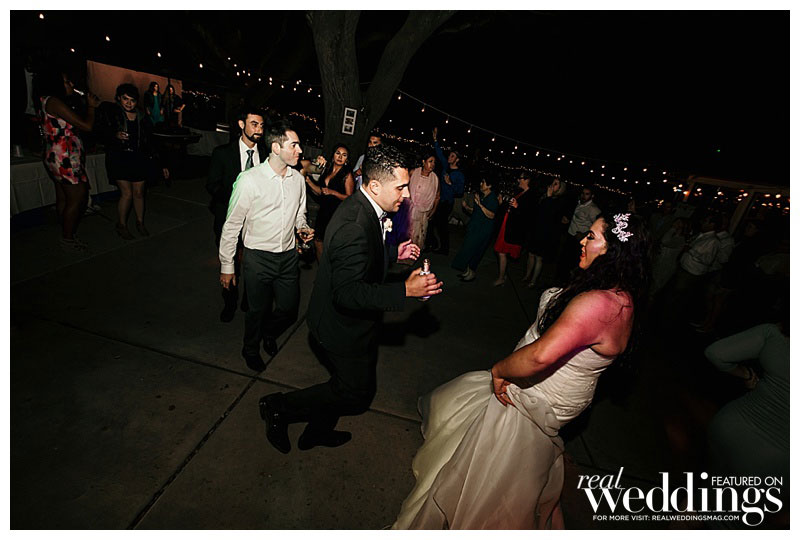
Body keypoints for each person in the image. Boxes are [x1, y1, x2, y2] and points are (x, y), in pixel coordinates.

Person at [393, 212, 650, 529]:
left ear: (614, 252)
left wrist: (500, 370)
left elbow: (541, 356)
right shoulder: (620, 294)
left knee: (494, 482)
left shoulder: (602, 304)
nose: (582, 240)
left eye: (592, 237)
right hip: (547, 388)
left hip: (540, 395)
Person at [257, 144, 443, 454]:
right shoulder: (354, 224)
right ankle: (278, 407)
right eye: (401, 187)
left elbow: (361, 257)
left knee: (346, 386)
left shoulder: (365, 207)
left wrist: (391, 253)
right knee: (354, 392)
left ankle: (316, 431)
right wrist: (405, 290)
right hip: (339, 328)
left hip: (356, 325)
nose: (407, 194)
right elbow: (348, 293)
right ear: (375, 186)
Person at [219, 116, 313, 372]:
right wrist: (227, 265)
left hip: (288, 257)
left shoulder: (298, 180)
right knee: (256, 311)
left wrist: (302, 229)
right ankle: (250, 349)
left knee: (288, 309)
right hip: (258, 258)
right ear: (275, 148)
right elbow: (232, 225)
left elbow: (300, 215)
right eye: (294, 145)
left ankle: (268, 333)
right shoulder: (249, 180)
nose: (300, 150)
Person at [704, 317, 789, 526]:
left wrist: (746, 374)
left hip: (729, 427)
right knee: (727, 522)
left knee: (703, 498)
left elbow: (716, 353)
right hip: (773, 462)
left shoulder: (775, 333)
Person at [207, 107, 266, 322]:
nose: (259, 129)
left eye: (261, 125)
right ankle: (229, 302)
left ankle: (249, 300)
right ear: (242, 125)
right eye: (254, 124)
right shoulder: (222, 153)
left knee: (254, 265)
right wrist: (239, 197)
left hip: (257, 223)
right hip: (229, 219)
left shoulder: (267, 154)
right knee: (230, 264)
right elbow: (212, 185)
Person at [33, 67, 101, 252]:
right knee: (77, 197)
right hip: (65, 157)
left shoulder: (44, 101)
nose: (71, 84)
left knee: (63, 196)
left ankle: (65, 231)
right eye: (66, 81)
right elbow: (86, 126)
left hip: (56, 155)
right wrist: (91, 107)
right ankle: (68, 238)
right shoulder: (54, 102)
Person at [97, 83, 169, 240]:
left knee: (139, 193)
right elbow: (99, 133)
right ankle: (121, 225)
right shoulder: (112, 114)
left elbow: (152, 141)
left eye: (132, 100)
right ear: (118, 98)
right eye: (125, 99)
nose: (129, 103)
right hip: (119, 158)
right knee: (127, 193)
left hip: (138, 158)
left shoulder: (142, 117)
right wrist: (114, 135)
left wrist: (162, 163)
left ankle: (140, 222)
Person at [304, 144, 355, 261]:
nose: (340, 157)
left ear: (347, 159)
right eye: (338, 153)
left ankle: (329, 268)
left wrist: (334, 192)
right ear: (333, 155)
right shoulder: (327, 170)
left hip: (336, 213)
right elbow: (321, 191)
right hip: (324, 210)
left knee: (330, 243)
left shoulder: (347, 175)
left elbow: (349, 198)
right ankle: (322, 268)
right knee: (318, 241)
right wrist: (308, 181)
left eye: (344, 155)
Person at [522, 177, 568, 289]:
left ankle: (533, 281)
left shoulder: (559, 201)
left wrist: (548, 198)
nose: (552, 185)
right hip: (537, 230)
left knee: (539, 258)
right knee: (530, 254)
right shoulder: (546, 197)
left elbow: (549, 215)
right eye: (553, 183)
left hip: (546, 234)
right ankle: (527, 275)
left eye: (556, 184)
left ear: (561, 188)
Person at [451, 178, 499, 282]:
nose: (481, 184)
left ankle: (471, 273)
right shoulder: (483, 196)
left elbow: (491, 215)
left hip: (482, 230)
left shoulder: (492, 199)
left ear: (489, 186)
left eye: (483, 182)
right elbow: (477, 211)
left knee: (473, 250)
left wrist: (480, 204)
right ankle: (467, 272)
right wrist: (467, 207)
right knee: (469, 249)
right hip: (475, 227)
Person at [492, 172, 535, 286]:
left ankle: (501, 278)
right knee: (500, 251)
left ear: (527, 180)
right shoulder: (521, 192)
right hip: (508, 226)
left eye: (520, 178)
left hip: (514, 229)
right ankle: (502, 276)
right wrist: (502, 203)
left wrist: (517, 207)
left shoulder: (531, 195)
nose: (518, 180)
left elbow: (529, 216)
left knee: (501, 252)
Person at [557, 185, 601, 278]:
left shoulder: (593, 209)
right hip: (570, 235)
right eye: (582, 193)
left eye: (587, 194)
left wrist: (584, 234)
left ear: (592, 196)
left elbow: (598, 228)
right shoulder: (578, 203)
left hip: (579, 240)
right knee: (563, 261)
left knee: (572, 264)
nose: (583, 196)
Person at [431, 127, 466, 231]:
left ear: (457, 160)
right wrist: (435, 139)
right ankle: (432, 240)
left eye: (452, 156)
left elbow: (460, 191)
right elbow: (439, 153)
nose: (449, 157)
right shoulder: (446, 166)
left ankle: (443, 242)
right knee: (433, 222)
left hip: (447, 203)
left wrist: (450, 183)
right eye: (450, 155)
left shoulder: (459, 175)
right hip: (439, 199)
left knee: (441, 225)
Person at [408, 151, 440, 250]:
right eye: (430, 161)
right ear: (423, 162)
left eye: (434, 162)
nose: (432, 164)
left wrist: (433, 210)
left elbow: (437, 196)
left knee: (418, 238)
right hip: (409, 210)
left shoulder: (435, 179)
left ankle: (413, 255)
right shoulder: (413, 173)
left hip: (424, 213)